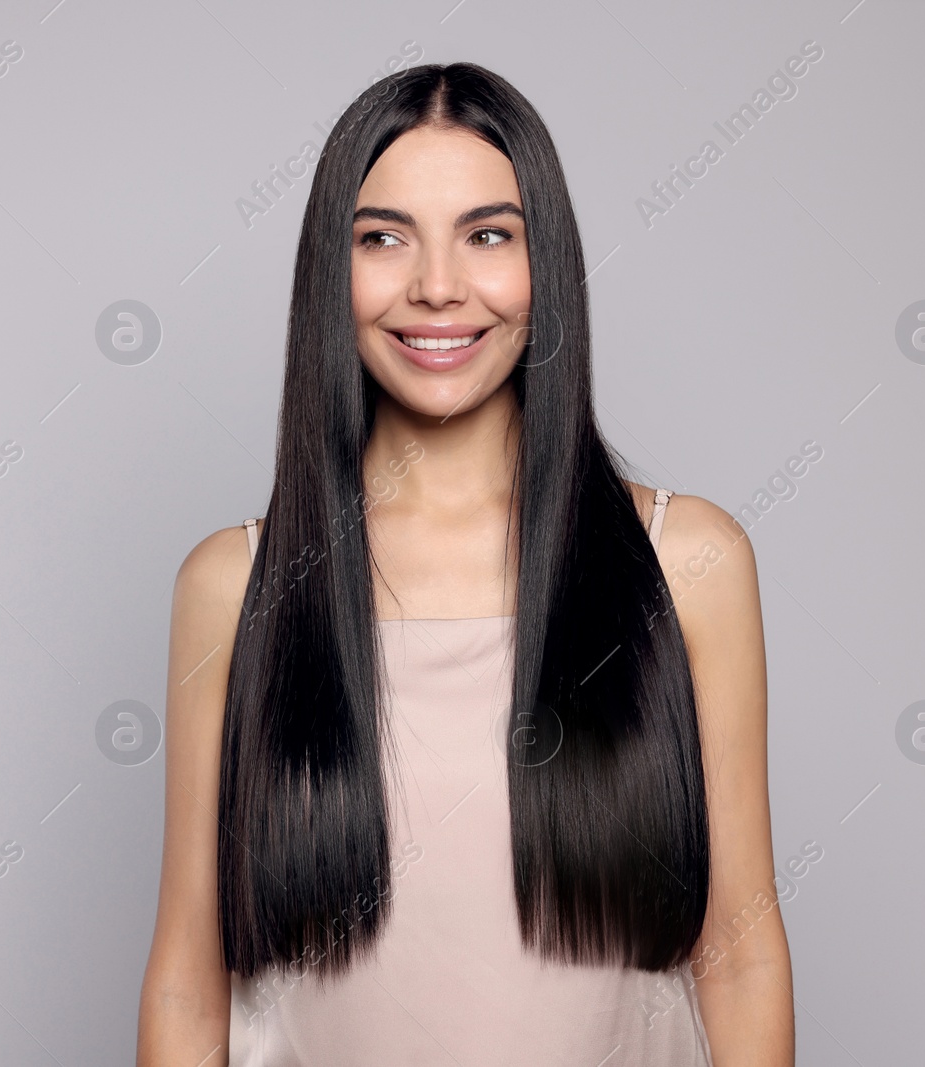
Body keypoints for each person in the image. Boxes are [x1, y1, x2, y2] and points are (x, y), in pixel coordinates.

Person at [138, 62, 792, 1066]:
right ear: (330, 270)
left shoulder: (687, 560)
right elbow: (191, 978)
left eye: (488, 235)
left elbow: (738, 956)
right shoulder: (233, 586)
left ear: (548, 264)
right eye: (383, 238)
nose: (436, 284)